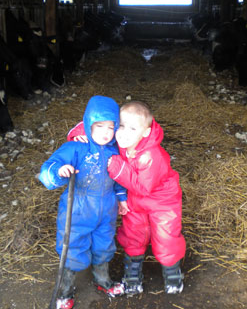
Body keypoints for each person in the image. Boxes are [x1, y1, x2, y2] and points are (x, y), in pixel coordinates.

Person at [67, 100, 186, 295]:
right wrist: (79, 133)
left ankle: (172, 269)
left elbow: (143, 186)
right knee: (133, 232)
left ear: (145, 132)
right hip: (134, 199)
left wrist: (118, 168)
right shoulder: (122, 139)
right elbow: (95, 125)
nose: (123, 132)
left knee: (166, 234)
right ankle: (133, 268)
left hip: (162, 201)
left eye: (132, 128)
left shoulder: (151, 155)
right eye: (120, 126)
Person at [39, 95, 127, 309]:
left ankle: (102, 280)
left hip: (106, 210)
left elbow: (119, 178)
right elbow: (47, 169)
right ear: (88, 124)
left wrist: (122, 199)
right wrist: (59, 172)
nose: (106, 133)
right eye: (99, 126)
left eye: (110, 127)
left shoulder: (115, 151)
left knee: (104, 244)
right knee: (72, 246)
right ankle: (65, 290)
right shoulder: (76, 148)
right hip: (77, 209)